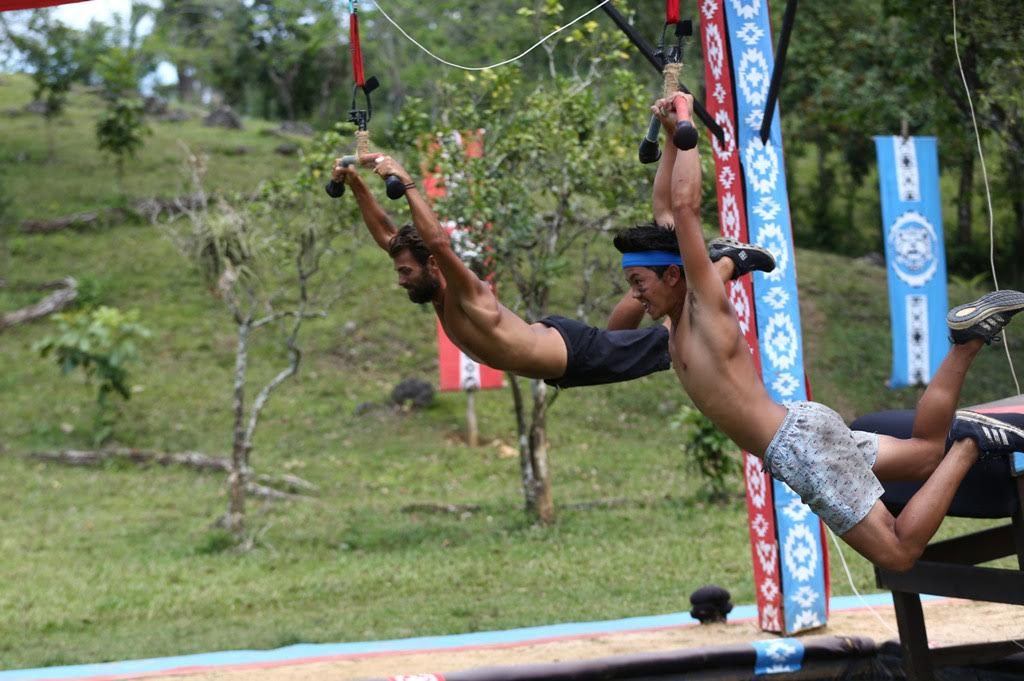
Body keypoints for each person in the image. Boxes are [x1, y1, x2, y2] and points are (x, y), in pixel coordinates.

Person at [651, 90, 1024, 572]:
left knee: (897, 553)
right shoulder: (674, 319)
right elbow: (664, 216)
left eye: (638, 283)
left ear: (674, 277)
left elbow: (683, 209)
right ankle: (967, 342)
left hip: (799, 446)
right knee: (925, 455)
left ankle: (972, 441)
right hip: (804, 425)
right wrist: (669, 140)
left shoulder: (699, 308)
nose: (634, 295)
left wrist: (686, 121)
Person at [328, 137, 773, 389]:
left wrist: (407, 184)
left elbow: (439, 242)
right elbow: (387, 235)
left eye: (406, 272)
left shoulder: (466, 292)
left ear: (432, 266)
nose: (401, 280)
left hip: (573, 357)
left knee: (679, 333)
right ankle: (682, 268)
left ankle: (724, 263)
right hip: (562, 348)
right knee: (623, 332)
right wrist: (356, 185)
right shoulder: (436, 289)